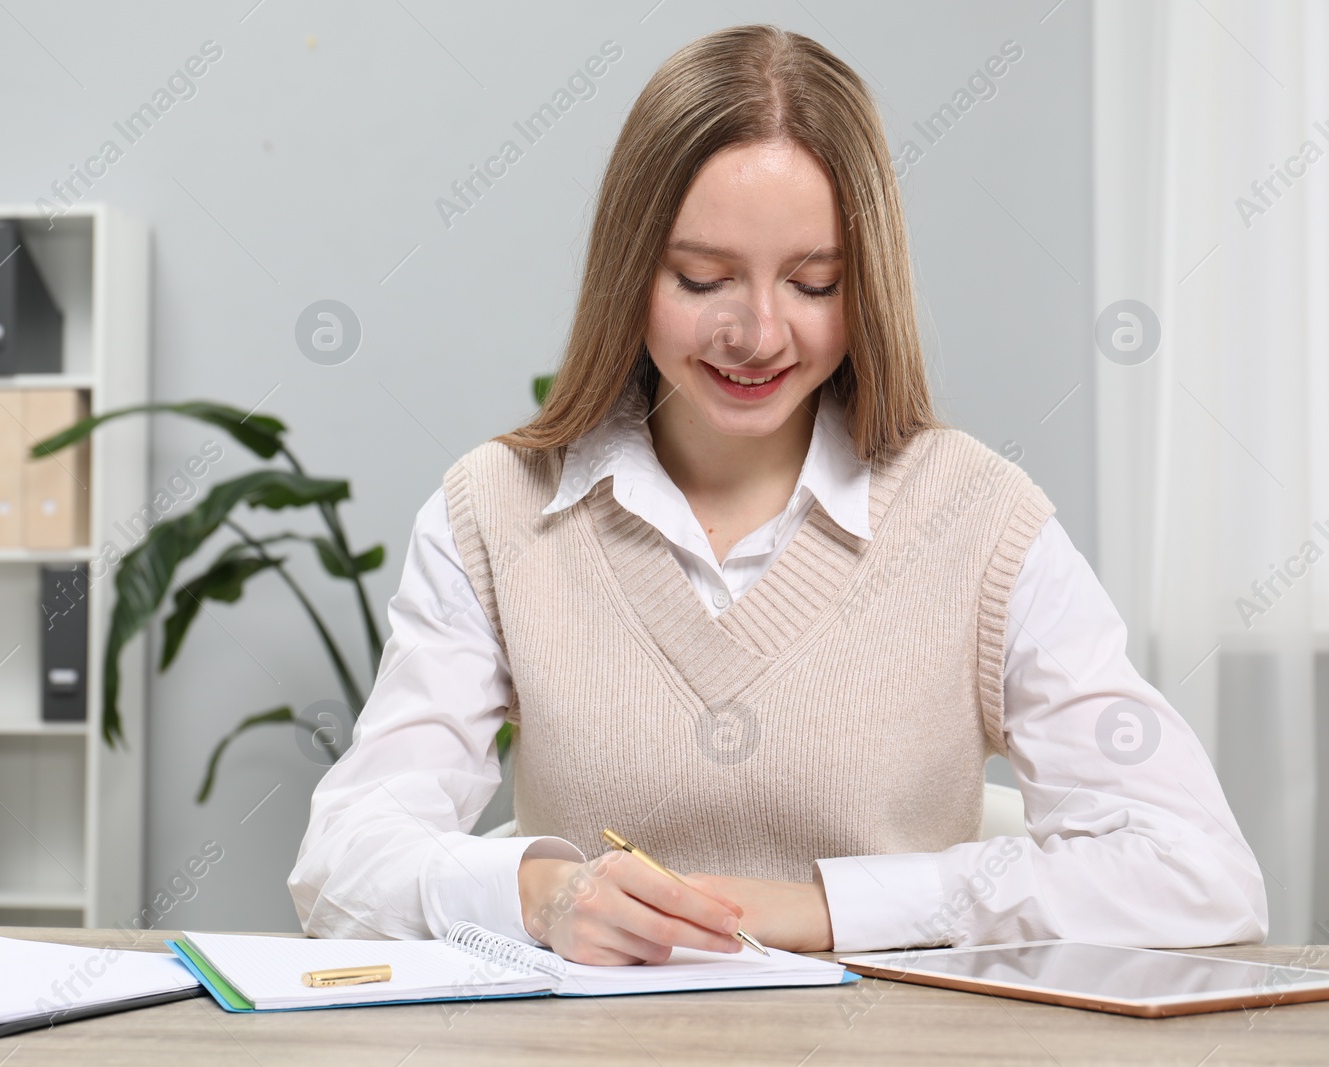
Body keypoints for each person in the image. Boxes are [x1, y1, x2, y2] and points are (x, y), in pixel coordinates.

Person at [287, 23, 1266, 965]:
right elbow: (341, 861)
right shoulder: (494, 511)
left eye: (812, 282)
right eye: (702, 276)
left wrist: (833, 907)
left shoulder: (979, 520)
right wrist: (545, 895)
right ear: (629, 272)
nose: (756, 333)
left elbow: (1199, 873)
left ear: (868, 284)